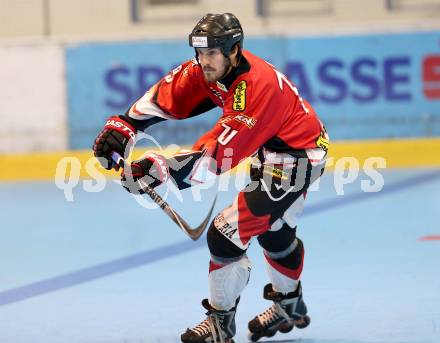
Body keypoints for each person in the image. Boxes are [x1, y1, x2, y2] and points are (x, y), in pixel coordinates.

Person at [93, 13, 329, 343]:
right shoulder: (212, 66)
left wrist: (159, 169)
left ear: (234, 50)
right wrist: (126, 123)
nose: (203, 62)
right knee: (274, 233)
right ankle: (291, 305)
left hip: (299, 158)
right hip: (272, 149)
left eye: (211, 53)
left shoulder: (256, 89)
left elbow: (218, 156)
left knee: (225, 234)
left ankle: (220, 324)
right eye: (199, 53)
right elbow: (169, 93)